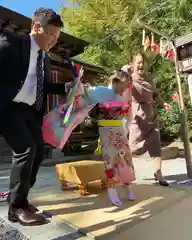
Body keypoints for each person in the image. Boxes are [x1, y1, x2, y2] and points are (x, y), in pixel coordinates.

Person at [0, 8, 67, 226]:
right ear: (37, 28)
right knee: (25, 148)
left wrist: (67, 86)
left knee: (39, 151)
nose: (54, 42)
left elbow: (45, 85)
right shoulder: (11, 42)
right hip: (8, 107)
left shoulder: (44, 58)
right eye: (51, 35)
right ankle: (16, 208)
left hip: (30, 110)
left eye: (57, 38)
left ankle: (21, 198)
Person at [44, 70, 136, 206]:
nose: (127, 87)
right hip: (106, 131)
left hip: (120, 130)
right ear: (117, 81)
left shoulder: (123, 96)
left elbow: (127, 114)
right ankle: (112, 189)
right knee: (110, 160)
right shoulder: (101, 91)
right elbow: (84, 93)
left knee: (125, 159)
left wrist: (127, 127)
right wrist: (78, 83)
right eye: (126, 84)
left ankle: (127, 185)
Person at [128, 53, 171, 186]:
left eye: (143, 63)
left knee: (156, 144)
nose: (141, 65)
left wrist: (163, 103)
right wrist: (128, 70)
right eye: (138, 62)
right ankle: (124, 171)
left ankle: (159, 173)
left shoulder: (149, 78)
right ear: (133, 64)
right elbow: (119, 79)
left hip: (151, 115)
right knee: (133, 148)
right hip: (137, 116)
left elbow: (154, 94)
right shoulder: (129, 78)